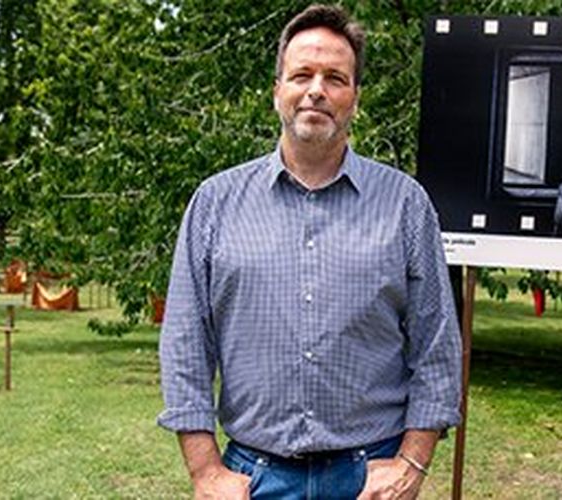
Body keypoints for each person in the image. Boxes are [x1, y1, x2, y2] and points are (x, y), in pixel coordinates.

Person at [158, 5, 461, 499]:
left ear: (355, 98)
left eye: (335, 78)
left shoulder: (406, 205)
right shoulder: (214, 203)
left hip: (370, 476)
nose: (316, 89)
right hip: (253, 480)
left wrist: (411, 462)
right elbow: (185, 343)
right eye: (301, 74)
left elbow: (437, 346)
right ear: (277, 89)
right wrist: (205, 471)